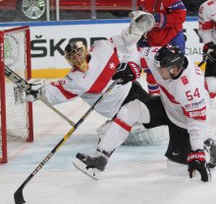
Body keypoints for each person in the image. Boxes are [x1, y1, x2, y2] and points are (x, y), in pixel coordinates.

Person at [74, 43, 216, 182]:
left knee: (177, 170)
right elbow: (136, 52)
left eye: (161, 70)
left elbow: (196, 123)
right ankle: (101, 157)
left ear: (174, 69)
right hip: (167, 104)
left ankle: (207, 148)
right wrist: (132, 65)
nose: (157, 70)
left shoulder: (190, 89)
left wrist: (197, 152)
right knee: (129, 110)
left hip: (184, 120)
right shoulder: (159, 58)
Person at [138, 0, 186, 95]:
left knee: (175, 72)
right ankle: (155, 100)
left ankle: (178, 100)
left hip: (172, 38)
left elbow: (181, 16)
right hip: (153, 40)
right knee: (151, 73)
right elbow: (144, 18)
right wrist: (142, 33)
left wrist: (159, 19)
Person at [198, 0, 216, 107]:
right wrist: (209, 45)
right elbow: (205, 30)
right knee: (210, 82)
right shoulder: (207, 6)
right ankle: (205, 108)